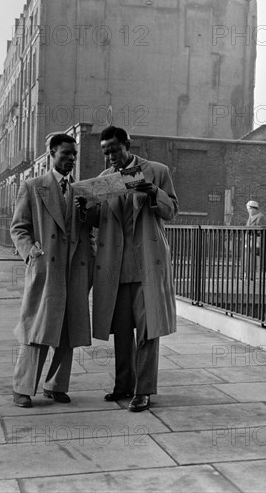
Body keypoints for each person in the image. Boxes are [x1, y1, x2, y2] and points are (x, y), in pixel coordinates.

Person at [81, 126, 178, 412]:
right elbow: (98, 219)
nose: (110, 155)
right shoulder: (102, 180)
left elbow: (171, 210)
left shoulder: (157, 171)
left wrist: (154, 193)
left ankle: (144, 390)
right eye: (105, 151)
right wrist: (84, 207)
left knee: (149, 330)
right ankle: (123, 385)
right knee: (121, 331)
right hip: (116, 268)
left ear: (127, 144)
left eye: (114, 148)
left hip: (147, 263)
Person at [10, 133, 94, 408]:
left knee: (68, 331)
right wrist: (29, 252)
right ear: (51, 155)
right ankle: (22, 388)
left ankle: (56, 385)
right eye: (65, 154)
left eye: (74, 155)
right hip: (47, 268)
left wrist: (88, 214)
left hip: (75, 270)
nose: (70, 159)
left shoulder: (80, 191)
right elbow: (18, 227)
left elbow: (90, 227)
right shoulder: (33, 186)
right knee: (37, 328)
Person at [245, 200, 266, 278]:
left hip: (257, 240)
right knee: (249, 257)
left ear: (254, 208)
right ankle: (248, 273)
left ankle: (255, 273)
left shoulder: (260, 216)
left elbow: (263, 229)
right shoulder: (250, 216)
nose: (248, 211)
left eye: (249, 209)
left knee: (256, 257)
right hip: (249, 240)